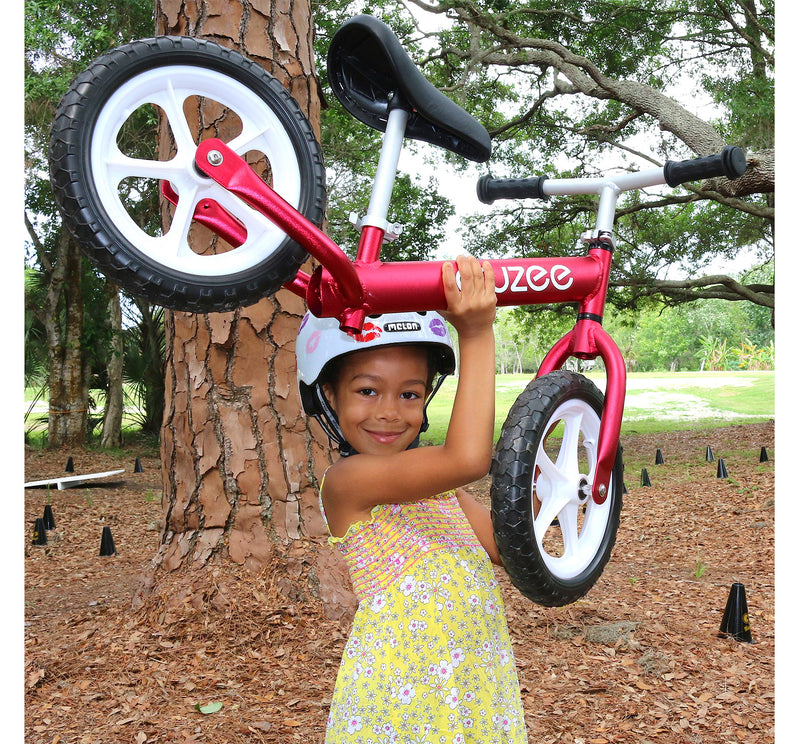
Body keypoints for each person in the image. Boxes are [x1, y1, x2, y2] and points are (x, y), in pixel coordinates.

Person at [296, 255, 528, 743]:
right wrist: (478, 333)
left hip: (470, 689)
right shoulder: (348, 481)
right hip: (405, 700)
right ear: (331, 396)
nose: (389, 412)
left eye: (409, 394)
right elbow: (467, 457)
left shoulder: (441, 494)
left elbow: (511, 549)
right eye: (366, 390)